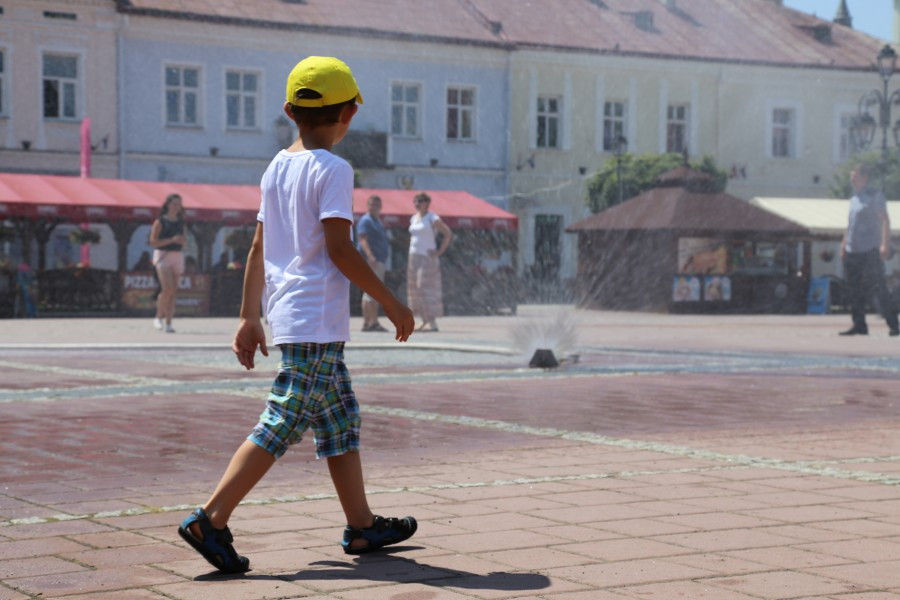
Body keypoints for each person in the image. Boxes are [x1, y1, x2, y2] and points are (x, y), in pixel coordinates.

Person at [176, 56, 417, 575]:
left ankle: (362, 526)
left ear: (290, 111)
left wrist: (249, 315)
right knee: (283, 420)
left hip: (291, 314)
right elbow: (340, 249)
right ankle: (210, 519)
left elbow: (258, 245)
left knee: (339, 418)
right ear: (350, 113)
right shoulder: (333, 168)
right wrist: (393, 301)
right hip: (315, 318)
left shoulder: (276, 167)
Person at [839, 164, 899, 337]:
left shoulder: (875, 196)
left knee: (878, 287)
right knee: (854, 289)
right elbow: (850, 224)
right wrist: (844, 244)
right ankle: (859, 325)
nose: (852, 178)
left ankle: (894, 324)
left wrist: (885, 244)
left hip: (870, 249)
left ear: (865, 178)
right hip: (853, 250)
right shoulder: (853, 198)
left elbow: (885, 220)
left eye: (855, 175)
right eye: (852, 175)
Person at [407, 192, 453, 332]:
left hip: (427, 257)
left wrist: (439, 251)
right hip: (413, 256)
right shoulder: (413, 218)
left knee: (424, 288)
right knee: (414, 289)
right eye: (415, 201)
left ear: (427, 203)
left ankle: (432, 321)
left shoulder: (432, 218)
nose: (417, 203)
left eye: (420, 201)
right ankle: (423, 320)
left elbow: (447, 233)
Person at [149, 193, 186, 333]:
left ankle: (169, 322)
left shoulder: (181, 222)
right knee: (167, 288)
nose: (177, 207)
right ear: (168, 205)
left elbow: (184, 240)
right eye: (174, 204)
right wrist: (171, 240)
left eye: (179, 204)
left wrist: (181, 241)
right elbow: (153, 241)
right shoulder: (160, 221)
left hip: (177, 255)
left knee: (174, 291)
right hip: (163, 254)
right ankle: (158, 316)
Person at [356, 194, 390, 331]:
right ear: (367, 206)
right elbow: (362, 239)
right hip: (372, 260)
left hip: (377, 260)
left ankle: (367, 322)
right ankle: (373, 322)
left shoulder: (377, 221)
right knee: (375, 292)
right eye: (372, 204)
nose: (374, 207)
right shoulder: (366, 220)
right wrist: (370, 256)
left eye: (377, 204)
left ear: (381, 206)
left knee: (368, 292)